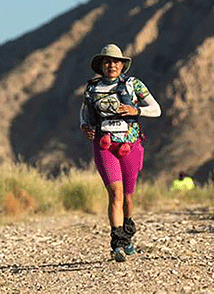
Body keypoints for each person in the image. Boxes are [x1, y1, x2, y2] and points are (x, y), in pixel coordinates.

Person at [79, 43, 161, 262]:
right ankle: (117, 244)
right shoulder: (92, 88)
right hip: (104, 146)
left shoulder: (134, 85)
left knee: (127, 196)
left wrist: (137, 110)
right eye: (107, 61)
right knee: (115, 192)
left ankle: (128, 234)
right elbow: (85, 113)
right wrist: (84, 126)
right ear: (101, 66)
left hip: (131, 145)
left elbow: (157, 109)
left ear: (122, 65)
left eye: (115, 61)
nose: (111, 65)